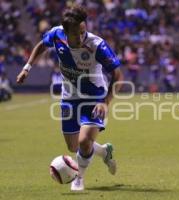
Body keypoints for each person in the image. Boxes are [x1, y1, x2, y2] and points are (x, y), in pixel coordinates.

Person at [16, 5, 123, 191]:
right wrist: (27, 68)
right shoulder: (56, 35)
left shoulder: (97, 45)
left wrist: (105, 102)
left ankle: (78, 178)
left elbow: (118, 75)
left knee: (84, 141)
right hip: (69, 97)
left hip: (94, 97)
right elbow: (41, 45)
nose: (81, 37)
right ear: (66, 32)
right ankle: (105, 151)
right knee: (74, 147)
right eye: (76, 34)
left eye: (83, 32)